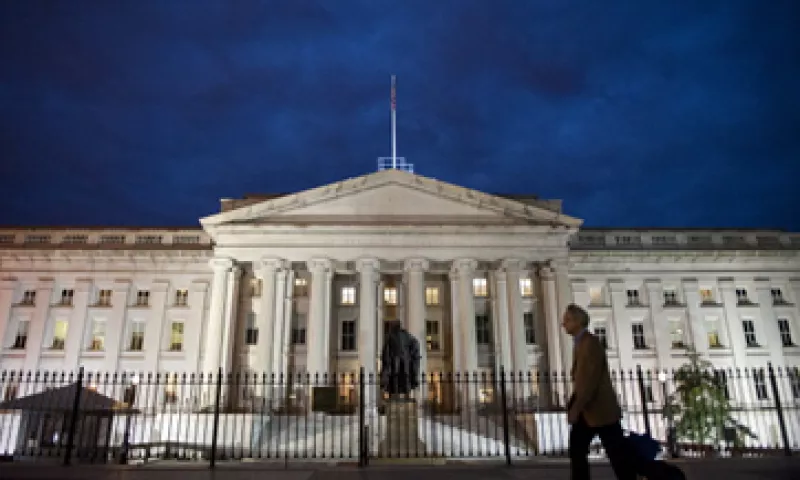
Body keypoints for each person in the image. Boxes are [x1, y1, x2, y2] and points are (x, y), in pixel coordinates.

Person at [563, 304, 635, 480]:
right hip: (590, 410)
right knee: (579, 449)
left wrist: (576, 407)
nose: (563, 324)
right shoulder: (580, 344)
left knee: (617, 455)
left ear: (578, 322)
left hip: (600, 410)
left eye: (567, 320)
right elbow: (583, 380)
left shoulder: (590, 343)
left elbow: (590, 380)